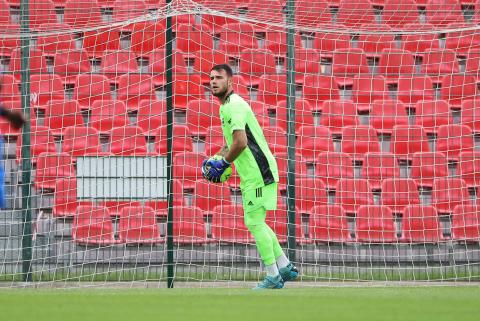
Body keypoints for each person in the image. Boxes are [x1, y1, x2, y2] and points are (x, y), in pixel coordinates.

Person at [201, 64, 298, 289]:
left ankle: (274, 276)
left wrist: (223, 163)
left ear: (230, 82)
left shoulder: (233, 105)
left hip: (258, 172)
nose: (213, 81)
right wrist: (216, 158)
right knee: (257, 222)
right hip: (253, 174)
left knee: (254, 222)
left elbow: (241, 143)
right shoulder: (227, 106)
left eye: (219, 78)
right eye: (211, 78)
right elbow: (231, 143)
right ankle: (284, 266)